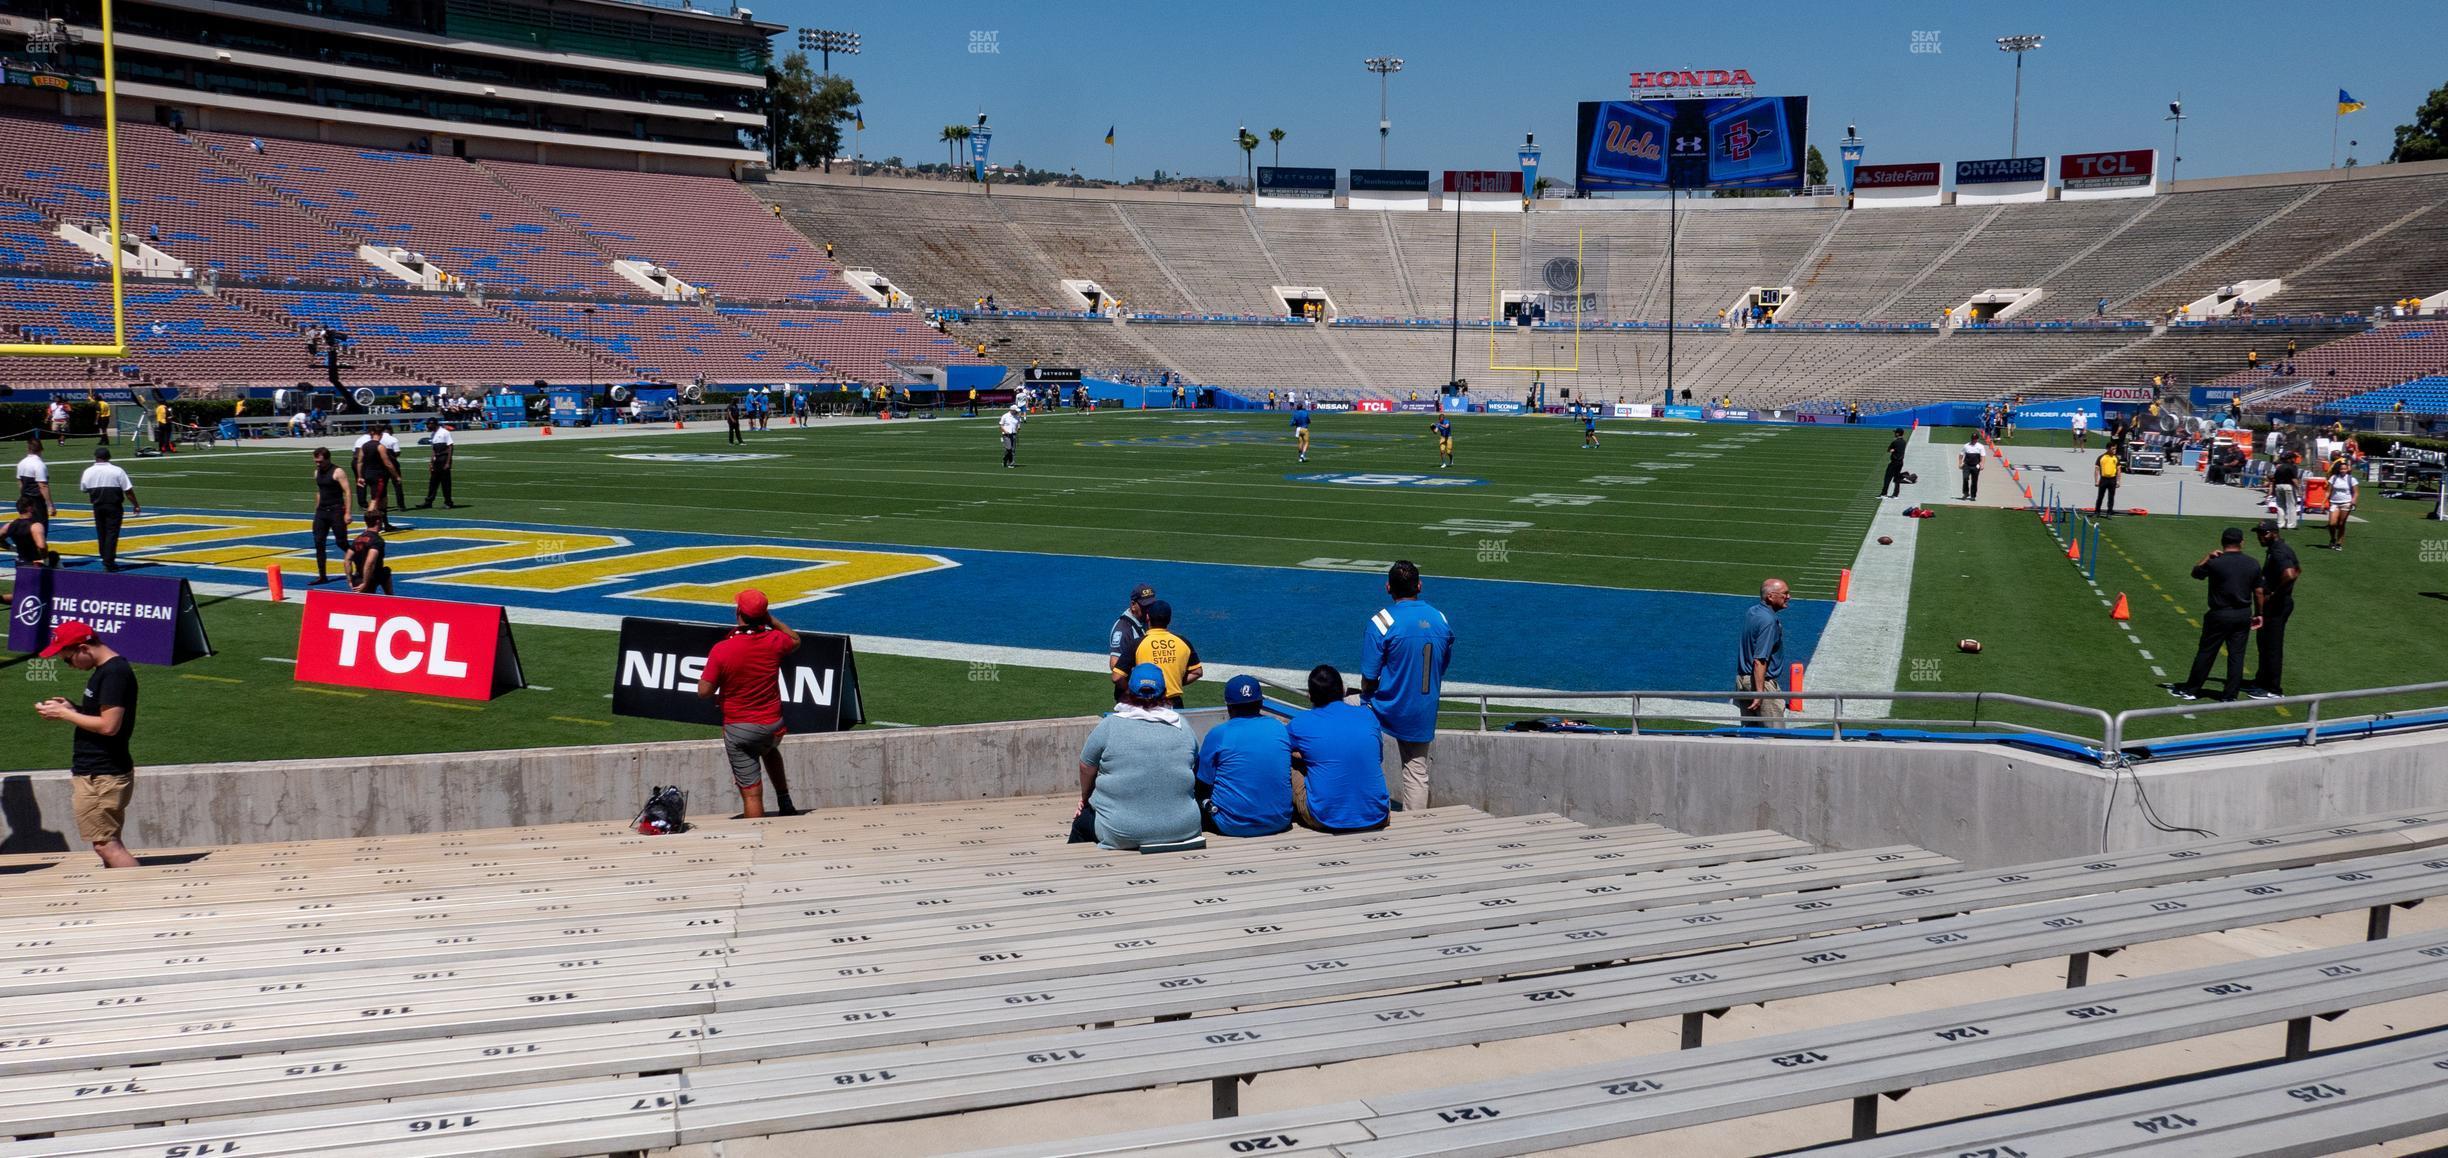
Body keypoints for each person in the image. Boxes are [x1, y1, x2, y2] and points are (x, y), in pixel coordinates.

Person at [33, 621, 140, 868]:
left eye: (67, 659)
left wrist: (64, 714)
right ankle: (123, 896)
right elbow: (104, 717)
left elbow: (108, 726)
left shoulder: (114, 673)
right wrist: (76, 709)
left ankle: (142, 895)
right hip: (98, 771)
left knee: (106, 845)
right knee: (108, 842)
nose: (69, 666)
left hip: (101, 773)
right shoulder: (106, 671)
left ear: (84, 648)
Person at [1072, 663, 1203, 851]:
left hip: (1120, 832)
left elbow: (1086, 766)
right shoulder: (1183, 726)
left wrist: (1085, 798)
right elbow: (1193, 764)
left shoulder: (1110, 725)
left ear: (1128, 692)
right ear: (1165, 692)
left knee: (1081, 822)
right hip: (1185, 829)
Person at [695, 588, 801, 819]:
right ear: (763, 615)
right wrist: (770, 619)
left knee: (752, 796)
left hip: (740, 728)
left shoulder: (723, 649)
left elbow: (704, 691)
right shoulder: (774, 640)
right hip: (774, 725)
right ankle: (785, 801)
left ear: (738, 612)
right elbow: (795, 639)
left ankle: (756, 837)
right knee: (769, 750)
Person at [1362, 560, 1452, 813]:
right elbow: (1442, 663)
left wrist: (1365, 696)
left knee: (1339, 716)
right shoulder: (1439, 619)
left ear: (1388, 587)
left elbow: (1369, 675)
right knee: (1416, 771)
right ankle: (1417, 826)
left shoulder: (1382, 621)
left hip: (1385, 706)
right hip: (1423, 705)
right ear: (1420, 586)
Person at [1285, 664, 1390, 834]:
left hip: (1325, 819)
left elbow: (1277, 748)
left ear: (1310, 696)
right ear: (1342, 690)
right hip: (1378, 815)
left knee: (1287, 760)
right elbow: (1378, 757)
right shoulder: (1368, 716)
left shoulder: (1301, 723)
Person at [2169, 527, 2261, 702]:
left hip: (2219, 614)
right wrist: (2259, 614)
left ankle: (2192, 689)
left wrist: (2208, 557)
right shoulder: (2253, 563)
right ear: (2242, 543)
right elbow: (2258, 592)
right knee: (2237, 655)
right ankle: (2230, 695)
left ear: (2222, 542)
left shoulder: (2216, 562)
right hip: (2243, 614)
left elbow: (2196, 573)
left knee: (2207, 652)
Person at [1196, 675, 1293, 837]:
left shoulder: (1219, 733)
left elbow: (1202, 782)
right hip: (1280, 821)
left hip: (1231, 825)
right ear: (1261, 703)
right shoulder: (1278, 727)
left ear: (1229, 707)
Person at [2245, 521, 2301, 700]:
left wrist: (2274, 595)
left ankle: (2273, 689)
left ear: (2272, 533)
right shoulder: (2281, 549)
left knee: (2272, 647)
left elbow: (2291, 575)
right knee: (2265, 644)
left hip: (2277, 606)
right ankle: (2262, 680)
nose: (2259, 537)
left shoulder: (2278, 551)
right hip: (2279, 603)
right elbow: (2298, 570)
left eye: (2262, 533)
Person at [1736, 578, 1789, 727]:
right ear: (1770, 596)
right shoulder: (1768, 621)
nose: (1788, 597)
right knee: (1774, 736)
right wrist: (1760, 693)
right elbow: (1760, 660)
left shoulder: (1752, 611)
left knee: (1750, 733)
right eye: (1785, 594)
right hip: (1760, 684)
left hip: (1743, 680)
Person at [1131, 600, 1201, 708]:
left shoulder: (1137, 644)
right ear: (1169, 619)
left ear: (1148, 617)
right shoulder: (1183, 642)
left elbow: (1117, 677)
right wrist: (1175, 681)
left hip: (1146, 701)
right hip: (1174, 703)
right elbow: (1197, 672)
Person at [78, 447, 137, 571]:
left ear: (96, 457)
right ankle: (109, 561)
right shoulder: (117, 470)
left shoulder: (88, 471)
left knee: (101, 532)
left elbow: (84, 488)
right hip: (113, 505)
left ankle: (105, 556)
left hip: (97, 505)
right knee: (112, 533)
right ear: (109, 457)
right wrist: (135, 504)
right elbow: (128, 490)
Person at [1106, 582, 1157, 702]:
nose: (1149, 610)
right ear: (1133, 605)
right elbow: (1115, 664)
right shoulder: (1123, 629)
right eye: (1145, 606)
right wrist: (1132, 692)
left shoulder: (1146, 620)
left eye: (1151, 605)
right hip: (1131, 696)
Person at [310, 447, 353, 584]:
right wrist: (317, 510)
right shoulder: (317, 472)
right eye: (316, 461)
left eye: (320, 461)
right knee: (318, 542)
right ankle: (322, 575)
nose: (318, 464)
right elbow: (319, 491)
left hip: (336, 511)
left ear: (328, 459)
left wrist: (347, 512)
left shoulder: (337, 472)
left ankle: (359, 560)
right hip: (322, 512)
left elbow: (347, 492)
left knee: (341, 542)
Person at [16, 437, 53, 537]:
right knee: (40, 528)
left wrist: (23, 497)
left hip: (25, 498)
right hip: (37, 501)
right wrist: (50, 505)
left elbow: (20, 483)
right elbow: (43, 486)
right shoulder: (39, 464)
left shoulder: (21, 463)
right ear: (41, 449)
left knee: (27, 526)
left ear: (28, 449)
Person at [346, 520, 393, 595]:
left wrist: (350, 580)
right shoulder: (377, 540)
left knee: (386, 571)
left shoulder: (358, 539)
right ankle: (390, 598)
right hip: (370, 577)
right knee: (385, 572)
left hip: (359, 577)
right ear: (378, 522)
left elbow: (347, 559)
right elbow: (369, 563)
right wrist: (365, 582)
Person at [416, 423, 457, 509]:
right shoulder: (433, 434)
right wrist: (431, 462)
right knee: (433, 482)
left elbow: (450, 447)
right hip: (437, 460)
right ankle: (429, 501)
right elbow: (434, 450)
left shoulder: (445, 432)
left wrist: (448, 462)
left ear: (433, 424)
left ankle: (448, 502)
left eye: (428, 425)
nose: (427, 427)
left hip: (444, 459)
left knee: (445, 483)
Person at [4, 496, 50, 567]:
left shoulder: (9, 525)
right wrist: (46, 560)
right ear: (29, 508)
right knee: (54, 557)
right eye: (33, 506)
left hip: (20, 562)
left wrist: (12, 548)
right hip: (35, 563)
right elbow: (41, 546)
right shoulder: (36, 526)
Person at [2323, 462, 2357, 552]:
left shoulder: (2351, 479)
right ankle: (2332, 538)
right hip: (2334, 502)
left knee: (2341, 524)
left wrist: (2353, 500)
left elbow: (2356, 492)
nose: (2343, 470)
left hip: (2346, 503)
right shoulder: (2333, 478)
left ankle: (2339, 543)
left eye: (2345, 469)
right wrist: (2323, 501)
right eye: (2341, 469)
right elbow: (2328, 491)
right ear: (2338, 469)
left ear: (2347, 469)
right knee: (2332, 523)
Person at [2268, 454, 2301, 530]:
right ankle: (2291, 524)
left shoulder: (2279, 467)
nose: (2294, 459)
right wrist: (2299, 489)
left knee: (2280, 506)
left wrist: (2273, 490)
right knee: (2291, 506)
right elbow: (2294, 479)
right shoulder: (2292, 467)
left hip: (2278, 486)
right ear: (2289, 459)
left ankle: (2280, 523)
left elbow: (2274, 479)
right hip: (2288, 486)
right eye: (2293, 458)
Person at [2093, 446, 2121, 516]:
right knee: (2100, 496)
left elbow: (2119, 470)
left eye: (2115, 449)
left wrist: (2118, 481)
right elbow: (2096, 469)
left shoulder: (2116, 458)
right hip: (2103, 479)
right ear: (2108, 449)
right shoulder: (2101, 457)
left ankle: (2109, 512)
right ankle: (2097, 511)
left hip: (2112, 479)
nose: (2114, 450)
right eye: (2113, 449)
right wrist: (2096, 481)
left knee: (2111, 497)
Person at [1879, 428, 1907, 497]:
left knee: (1887, 478)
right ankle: (1895, 494)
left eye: (1895, 433)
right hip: (1900, 462)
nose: (1894, 434)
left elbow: (1889, 450)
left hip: (1894, 462)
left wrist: (1893, 450)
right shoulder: (1904, 442)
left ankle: (1884, 493)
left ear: (1898, 433)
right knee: (1897, 479)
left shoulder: (1895, 442)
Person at [1958, 434, 1983, 501]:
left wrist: (1982, 464)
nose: (1973, 440)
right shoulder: (1966, 446)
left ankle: (1973, 495)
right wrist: (1960, 463)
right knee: (1965, 478)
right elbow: (1961, 455)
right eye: (1973, 438)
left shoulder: (1980, 446)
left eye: (1975, 439)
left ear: (1977, 439)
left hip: (1975, 466)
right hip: (1966, 465)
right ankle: (1966, 493)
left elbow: (1983, 456)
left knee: (1974, 481)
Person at [999, 403, 1023, 468]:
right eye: (1016, 410)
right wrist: (1005, 431)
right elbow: (1001, 425)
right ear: (1012, 410)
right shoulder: (1005, 416)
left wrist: (1018, 427)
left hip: (1014, 434)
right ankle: (1006, 460)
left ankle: (1010, 462)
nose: (1017, 411)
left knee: (1013, 449)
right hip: (1006, 435)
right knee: (1009, 448)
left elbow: (1018, 423)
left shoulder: (1017, 416)